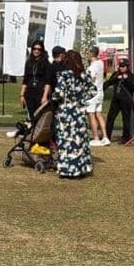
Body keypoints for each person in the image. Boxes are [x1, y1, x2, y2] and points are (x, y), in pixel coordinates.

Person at [53, 50, 96, 179]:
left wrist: (54, 98)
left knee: (66, 141)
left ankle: (67, 170)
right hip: (79, 111)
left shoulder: (64, 75)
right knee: (80, 141)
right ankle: (81, 169)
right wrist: (82, 98)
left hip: (66, 111)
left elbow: (59, 93)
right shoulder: (84, 75)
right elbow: (93, 90)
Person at [104, 57, 134, 143]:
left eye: (123, 66)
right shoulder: (116, 74)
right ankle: (107, 136)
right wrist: (116, 78)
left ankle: (125, 138)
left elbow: (132, 88)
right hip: (116, 99)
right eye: (120, 66)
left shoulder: (131, 76)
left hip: (125, 100)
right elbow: (109, 82)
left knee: (125, 119)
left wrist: (126, 80)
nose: (121, 68)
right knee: (110, 118)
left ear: (127, 67)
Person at [20, 41, 52, 121]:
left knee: (39, 116)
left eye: (39, 49)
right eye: (34, 49)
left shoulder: (46, 63)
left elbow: (48, 82)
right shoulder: (29, 62)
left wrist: (44, 96)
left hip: (40, 93)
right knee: (31, 115)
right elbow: (25, 80)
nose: (36, 51)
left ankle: (38, 132)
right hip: (30, 92)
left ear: (42, 50)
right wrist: (22, 95)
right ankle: (32, 132)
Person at [86, 45, 109, 147]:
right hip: (100, 92)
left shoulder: (93, 66)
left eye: (88, 53)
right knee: (98, 114)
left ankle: (96, 138)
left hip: (93, 93)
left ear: (91, 54)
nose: (87, 54)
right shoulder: (100, 63)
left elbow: (91, 78)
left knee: (91, 115)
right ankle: (105, 137)